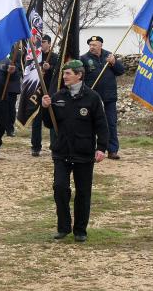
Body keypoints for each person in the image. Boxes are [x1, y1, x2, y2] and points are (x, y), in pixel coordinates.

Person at [42, 60, 108, 242]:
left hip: (84, 152)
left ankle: (80, 230)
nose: (64, 77)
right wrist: (46, 108)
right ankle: (63, 227)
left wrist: (101, 147)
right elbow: (49, 124)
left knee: (83, 192)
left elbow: (102, 125)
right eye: (64, 74)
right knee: (60, 188)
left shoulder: (93, 98)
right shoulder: (58, 96)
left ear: (79, 75)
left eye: (68, 74)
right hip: (62, 151)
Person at [81, 36, 125, 160]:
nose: (92, 47)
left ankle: (112, 150)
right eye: (90, 45)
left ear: (100, 45)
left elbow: (121, 71)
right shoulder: (84, 59)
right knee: (91, 124)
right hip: (93, 98)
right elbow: (81, 77)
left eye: (94, 45)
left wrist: (114, 63)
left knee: (111, 123)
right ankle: (91, 149)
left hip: (109, 97)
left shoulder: (109, 56)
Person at [31, 35, 60, 156]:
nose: (41, 44)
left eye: (43, 42)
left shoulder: (55, 57)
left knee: (53, 120)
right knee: (36, 121)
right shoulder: (35, 56)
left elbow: (59, 72)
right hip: (37, 93)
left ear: (49, 43)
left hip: (50, 92)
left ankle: (54, 146)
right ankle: (35, 147)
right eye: (40, 42)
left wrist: (51, 68)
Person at [4, 48, 23, 137]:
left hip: (12, 85)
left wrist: (13, 69)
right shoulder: (1, 49)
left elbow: (19, 68)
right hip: (0, 83)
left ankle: (10, 129)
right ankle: (1, 126)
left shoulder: (17, 52)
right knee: (1, 107)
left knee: (10, 108)